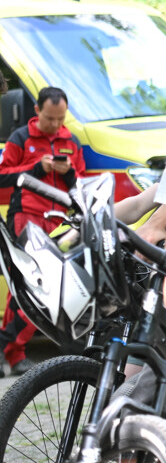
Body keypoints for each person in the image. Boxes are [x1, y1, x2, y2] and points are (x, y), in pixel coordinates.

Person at [0, 86, 88, 375]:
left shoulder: (71, 141)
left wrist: (69, 173)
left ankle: (9, 350)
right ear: (37, 111)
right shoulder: (20, 138)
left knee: (42, 288)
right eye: (50, 118)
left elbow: (81, 187)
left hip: (61, 223)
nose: (55, 124)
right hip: (26, 217)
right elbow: (2, 176)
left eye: (61, 119)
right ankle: (12, 353)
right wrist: (36, 168)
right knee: (28, 286)